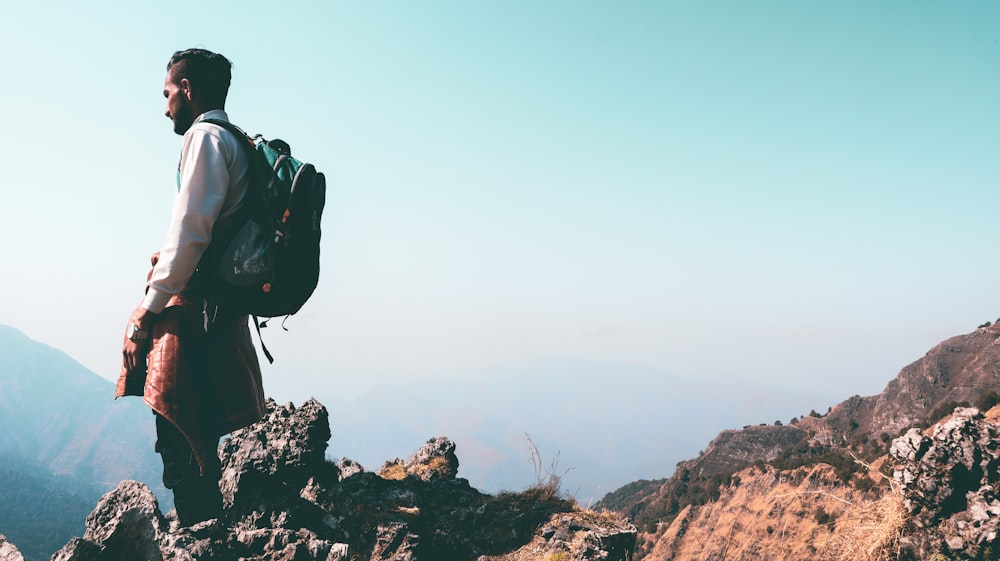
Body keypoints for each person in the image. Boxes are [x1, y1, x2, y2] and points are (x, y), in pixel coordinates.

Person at [117, 48, 266, 527]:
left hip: (194, 309)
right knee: (200, 427)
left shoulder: (204, 137)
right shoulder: (235, 139)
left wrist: (147, 308)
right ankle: (207, 529)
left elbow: (190, 234)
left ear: (187, 89)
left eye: (167, 94)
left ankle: (200, 537)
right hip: (220, 308)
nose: (164, 108)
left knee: (178, 429)